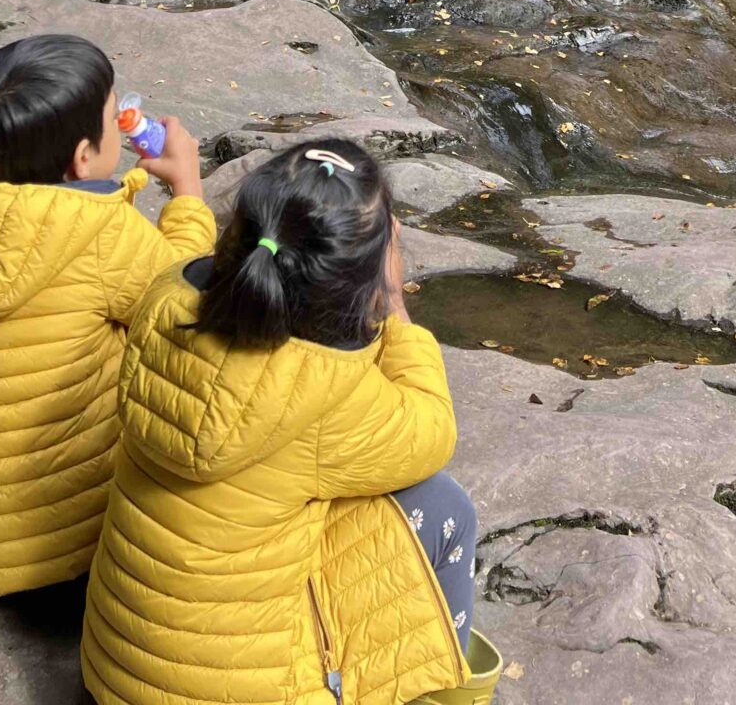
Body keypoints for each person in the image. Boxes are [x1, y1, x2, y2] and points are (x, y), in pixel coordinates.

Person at [81, 137, 494, 705]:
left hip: (117, 671)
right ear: (362, 285)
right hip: (251, 693)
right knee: (444, 507)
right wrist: (395, 305)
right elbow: (432, 431)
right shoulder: (330, 396)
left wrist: (188, 193)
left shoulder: (163, 300)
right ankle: (447, 693)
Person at [0, 33, 216, 599]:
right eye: (112, 115)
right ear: (83, 158)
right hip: (68, 548)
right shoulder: (101, 232)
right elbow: (181, 293)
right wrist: (187, 190)